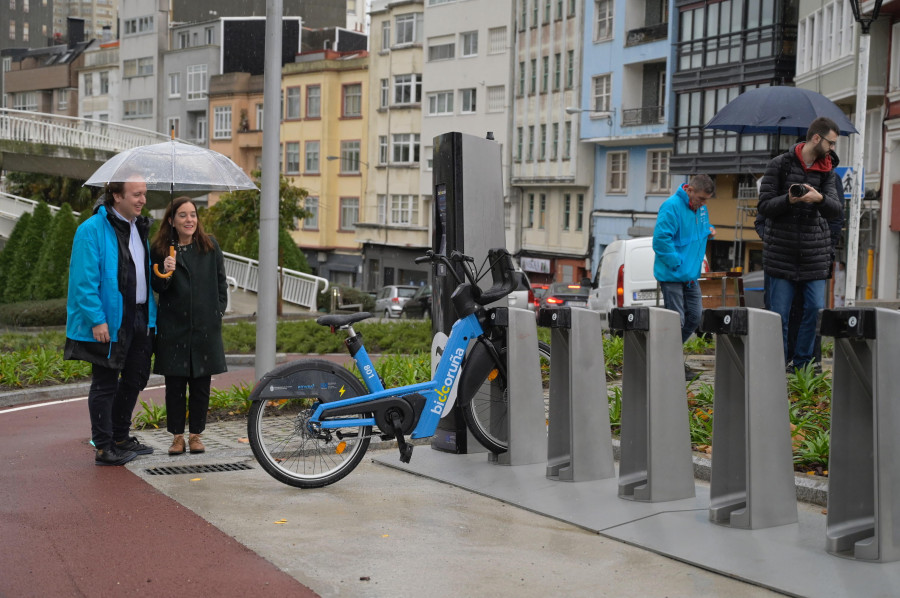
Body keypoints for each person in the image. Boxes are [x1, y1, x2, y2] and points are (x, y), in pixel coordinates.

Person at [65, 174, 157, 466]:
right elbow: (83, 281)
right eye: (136, 194)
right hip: (110, 320)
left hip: (141, 315)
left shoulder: (138, 228)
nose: (143, 200)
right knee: (105, 383)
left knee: (135, 378)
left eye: (144, 193)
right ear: (117, 196)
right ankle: (104, 447)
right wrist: (97, 319)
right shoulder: (90, 230)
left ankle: (120, 435)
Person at [757, 117, 843, 372]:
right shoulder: (779, 165)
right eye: (831, 142)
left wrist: (819, 199)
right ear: (816, 138)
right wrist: (789, 200)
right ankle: (777, 364)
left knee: (815, 310)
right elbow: (763, 207)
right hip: (781, 254)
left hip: (814, 255)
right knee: (779, 315)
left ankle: (803, 364)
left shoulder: (827, 170)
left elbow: (836, 210)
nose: (832, 149)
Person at [150, 196, 228, 455]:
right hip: (174, 327)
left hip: (205, 327)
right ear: (171, 220)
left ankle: (196, 435)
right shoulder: (161, 249)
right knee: (174, 386)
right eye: (182, 215)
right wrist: (165, 270)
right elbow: (157, 287)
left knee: (200, 385)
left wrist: (218, 311)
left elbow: (220, 282)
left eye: (193, 214)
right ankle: (177, 437)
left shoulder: (209, 246)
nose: (189, 219)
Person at [652, 174, 716, 380]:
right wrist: (677, 264)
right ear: (689, 190)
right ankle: (672, 364)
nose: (703, 204)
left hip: (690, 275)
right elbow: (661, 240)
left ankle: (665, 356)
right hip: (673, 274)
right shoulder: (671, 206)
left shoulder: (701, 209)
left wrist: (708, 231)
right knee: (677, 321)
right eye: (700, 199)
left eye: (706, 200)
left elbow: (696, 232)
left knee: (695, 317)